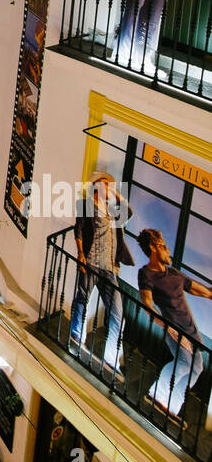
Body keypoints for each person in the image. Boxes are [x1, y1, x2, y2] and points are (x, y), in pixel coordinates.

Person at [137, 228, 212, 415]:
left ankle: (172, 406)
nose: (168, 252)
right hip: (173, 329)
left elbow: (198, 290)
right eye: (164, 247)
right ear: (154, 248)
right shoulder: (146, 274)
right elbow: (147, 304)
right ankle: (156, 394)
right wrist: (170, 329)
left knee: (197, 368)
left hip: (190, 330)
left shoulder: (175, 275)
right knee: (185, 363)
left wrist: (211, 293)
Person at [70, 172, 135, 378]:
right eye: (105, 185)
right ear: (96, 187)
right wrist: (80, 254)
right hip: (90, 261)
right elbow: (78, 229)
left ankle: (111, 358)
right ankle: (76, 337)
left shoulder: (113, 210)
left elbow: (129, 213)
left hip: (109, 268)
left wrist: (118, 197)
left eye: (110, 186)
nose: (108, 188)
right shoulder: (85, 204)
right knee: (82, 299)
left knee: (117, 314)